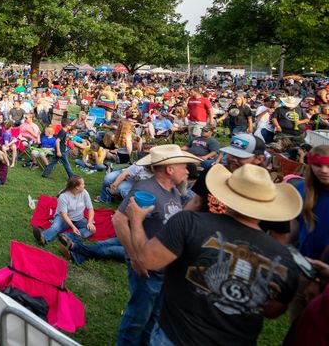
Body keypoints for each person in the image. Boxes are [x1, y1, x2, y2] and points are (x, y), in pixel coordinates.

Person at [124, 163, 302, 346]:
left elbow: (148, 260)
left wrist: (136, 220)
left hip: (176, 337)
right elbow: (273, 311)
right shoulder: (284, 259)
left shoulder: (189, 223)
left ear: (225, 194)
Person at [112, 144, 202, 346]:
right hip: (147, 268)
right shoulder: (146, 189)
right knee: (138, 318)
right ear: (169, 169)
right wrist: (135, 258)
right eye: (184, 166)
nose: (188, 171)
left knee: (155, 316)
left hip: (164, 268)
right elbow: (119, 220)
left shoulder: (173, 191)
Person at [287, 144, 329, 320]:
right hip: (304, 268)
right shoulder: (303, 190)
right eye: (318, 165)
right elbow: (294, 227)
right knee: (299, 325)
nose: (324, 170)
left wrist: (318, 280)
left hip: (325, 273)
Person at [33, 175, 95, 247]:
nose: (84, 185)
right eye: (83, 184)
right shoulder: (63, 196)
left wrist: (90, 222)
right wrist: (73, 227)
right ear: (77, 187)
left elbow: (90, 209)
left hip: (79, 219)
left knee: (92, 229)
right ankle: (43, 238)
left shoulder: (84, 193)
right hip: (63, 218)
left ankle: (67, 237)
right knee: (55, 227)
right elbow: (64, 214)